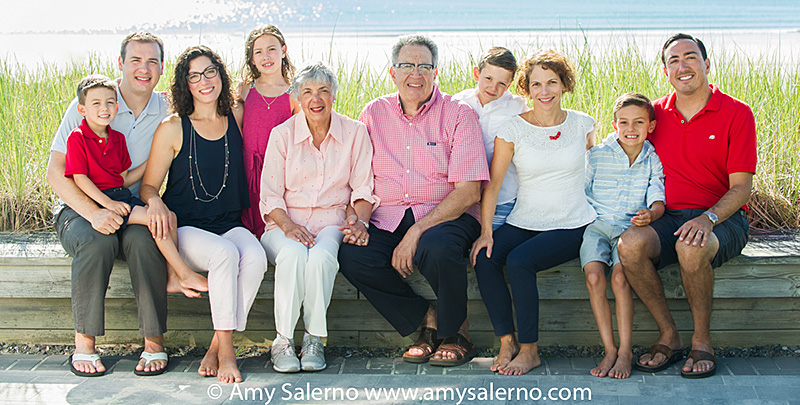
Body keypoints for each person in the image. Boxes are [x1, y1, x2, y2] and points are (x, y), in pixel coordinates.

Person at [338, 34, 489, 367]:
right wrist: (358, 218)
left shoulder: (459, 114)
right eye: (407, 65)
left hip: (447, 215)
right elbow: (359, 175)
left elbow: (468, 191)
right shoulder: (373, 113)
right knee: (352, 255)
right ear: (393, 73)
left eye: (424, 66)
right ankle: (428, 318)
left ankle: (455, 334)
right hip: (388, 214)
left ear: (436, 72)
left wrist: (416, 230)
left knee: (435, 247)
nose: (415, 74)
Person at [619, 33, 756, 379]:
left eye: (691, 57)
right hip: (668, 218)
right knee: (630, 245)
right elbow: (622, 149)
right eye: (674, 61)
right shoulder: (654, 115)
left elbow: (741, 188)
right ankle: (670, 334)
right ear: (666, 72)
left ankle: (702, 341)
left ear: (706, 64)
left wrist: (708, 219)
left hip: (722, 218)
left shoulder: (737, 113)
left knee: (691, 246)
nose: (683, 66)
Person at [140, 45, 268, 384]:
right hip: (186, 229)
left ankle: (215, 343)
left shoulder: (235, 118)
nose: (204, 80)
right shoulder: (173, 128)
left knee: (255, 257)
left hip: (227, 223)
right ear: (185, 84)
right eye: (194, 76)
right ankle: (228, 352)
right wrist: (153, 203)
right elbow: (149, 187)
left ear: (220, 76)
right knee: (225, 255)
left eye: (210, 71)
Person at [47, 31, 171, 377]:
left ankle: (153, 343)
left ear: (162, 67)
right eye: (135, 60)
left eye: (152, 61)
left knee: (146, 239)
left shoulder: (165, 107)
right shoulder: (92, 101)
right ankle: (84, 344)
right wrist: (94, 213)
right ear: (121, 63)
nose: (143, 69)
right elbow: (56, 175)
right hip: (79, 208)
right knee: (97, 240)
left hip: (127, 203)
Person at [470, 49, 597, 376]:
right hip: (525, 219)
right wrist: (486, 232)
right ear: (526, 88)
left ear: (564, 84)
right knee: (485, 257)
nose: (544, 91)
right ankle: (507, 341)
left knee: (520, 261)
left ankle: (530, 350)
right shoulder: (512, 129)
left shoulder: (583, 124)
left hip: (573, 222)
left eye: (552, 82)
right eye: (536, 84)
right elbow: (493, 185)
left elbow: (599, 172)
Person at [260, 62, 377, 373]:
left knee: (323, 256)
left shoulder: (355, 132)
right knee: (294, 255)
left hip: (331, 221)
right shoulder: (281, 135)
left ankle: (314, 338)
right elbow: (269, 195)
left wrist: (359, 221)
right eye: (308, 92)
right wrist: (289, 226)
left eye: (323, 91)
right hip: (283, 222)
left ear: (333, 96)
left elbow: (363, 187)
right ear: (297, 97)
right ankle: (283, 340)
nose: (316, 98)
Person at [65, 75, 207, 297]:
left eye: (110, 102)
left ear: (117, 106)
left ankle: (172, 277)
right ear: (82, 110)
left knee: (169, 217)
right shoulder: (77, 137)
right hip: (102, 201)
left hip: (120, 197)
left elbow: (122, 179)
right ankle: (183, 272)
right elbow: (79, 178)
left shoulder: (118, 139)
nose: (105, 108)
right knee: (157, 219)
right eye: (96, 103)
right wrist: (106, 204)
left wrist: (156, 159)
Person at [581, 93, 665, 379]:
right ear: (614, 124)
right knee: (594, 277)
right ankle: (610, 350)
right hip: (597, 225)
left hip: (630, 228)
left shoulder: (653, 159)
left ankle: (626, 351)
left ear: (650, 125)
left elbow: (657, 196)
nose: (631, 128)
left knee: (619, 279)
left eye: (639, 122)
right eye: (624, 122)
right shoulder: (596, 155)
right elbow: (581, 191)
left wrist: (651, 215)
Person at [453, 47, 528, 230]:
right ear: (476, 73)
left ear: (509, 84)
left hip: (503, 197)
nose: (493, 88)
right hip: (463, 197)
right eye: (488, 79)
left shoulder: (517, 108)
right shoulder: (459, 102)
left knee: (490, 248)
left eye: (502, 84)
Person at [237, 25, 299, 238]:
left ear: (283, 50)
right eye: (258, 52)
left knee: (273, 220)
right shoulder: (246, 90)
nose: (266, 56)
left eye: (271, 49)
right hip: (247, 167)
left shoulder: (293, 94)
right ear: (252, 59)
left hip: (279, 168)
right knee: (247, 219)